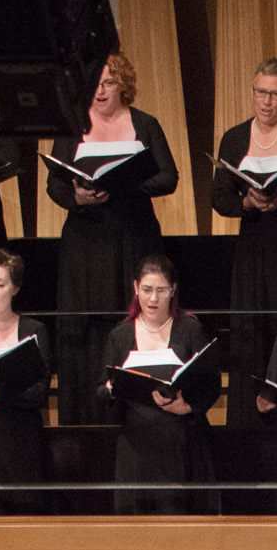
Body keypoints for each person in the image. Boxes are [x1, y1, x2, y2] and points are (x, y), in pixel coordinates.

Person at [48, 51, 180, 412]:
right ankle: (87, 413)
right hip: (86, 245)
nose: (100, 91)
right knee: (86, 328)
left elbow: (169, 176)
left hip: (132, 239)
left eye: (108, 82)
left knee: (131, 318)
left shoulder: (145, 123)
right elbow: (53, 185)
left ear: (123, 84)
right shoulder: (74, 126)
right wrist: (77, 195)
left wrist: (128, 184)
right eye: (94, 84)